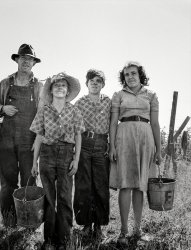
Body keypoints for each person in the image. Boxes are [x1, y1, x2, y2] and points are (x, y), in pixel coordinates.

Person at [30, 73, 85, 250]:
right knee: (49, 197)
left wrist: (76, 160)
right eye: (56, 86)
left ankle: (64, 239)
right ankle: (49, 240)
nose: (60, 88)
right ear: (51, 90)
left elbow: (78, 135)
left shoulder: (74, 110)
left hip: (67, 154)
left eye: (63, 86)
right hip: (47, 154)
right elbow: (38, 136)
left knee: (65, 197)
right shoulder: (44, 110)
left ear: (68, 91)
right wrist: (34, 162)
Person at [0, 43, 43, 227]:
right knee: (7, 183)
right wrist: (3, 108)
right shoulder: (6, 83)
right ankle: (9, 222)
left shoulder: (38, 86)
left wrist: (38, 140)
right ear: (17, 60)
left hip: (29, 141)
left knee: (29, 181)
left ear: (34, 63)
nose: (27, 62)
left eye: (30, 59)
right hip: (6, 141)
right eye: (23, 58)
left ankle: (29, 223)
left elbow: (42, 114)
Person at [109, 61, 162, 245]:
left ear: (140, 75)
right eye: (126, 74)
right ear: (123, 78)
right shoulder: (118, 95)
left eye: (133, 73)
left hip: (145, 138)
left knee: (140, 185)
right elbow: (113, 122)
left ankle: (137, 230)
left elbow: (155, 124)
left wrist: (159, 149)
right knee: (125, 184)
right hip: (123, 137)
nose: (130, 77)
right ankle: (123, 231)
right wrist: (112, 146)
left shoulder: (151, 95)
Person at [73, 69, 111, 239]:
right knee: (84, 184)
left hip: (102, 144)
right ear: (87, 83)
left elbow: (113, 124)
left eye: (98, 81)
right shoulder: (80, 102)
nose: (95, 83)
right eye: (91, 81)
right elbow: (74, 127)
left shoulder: (109, 102)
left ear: (103, 84)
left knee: (100, 185)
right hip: (84, 143)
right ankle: (86, 224)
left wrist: (112, 144)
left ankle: (99, 225)